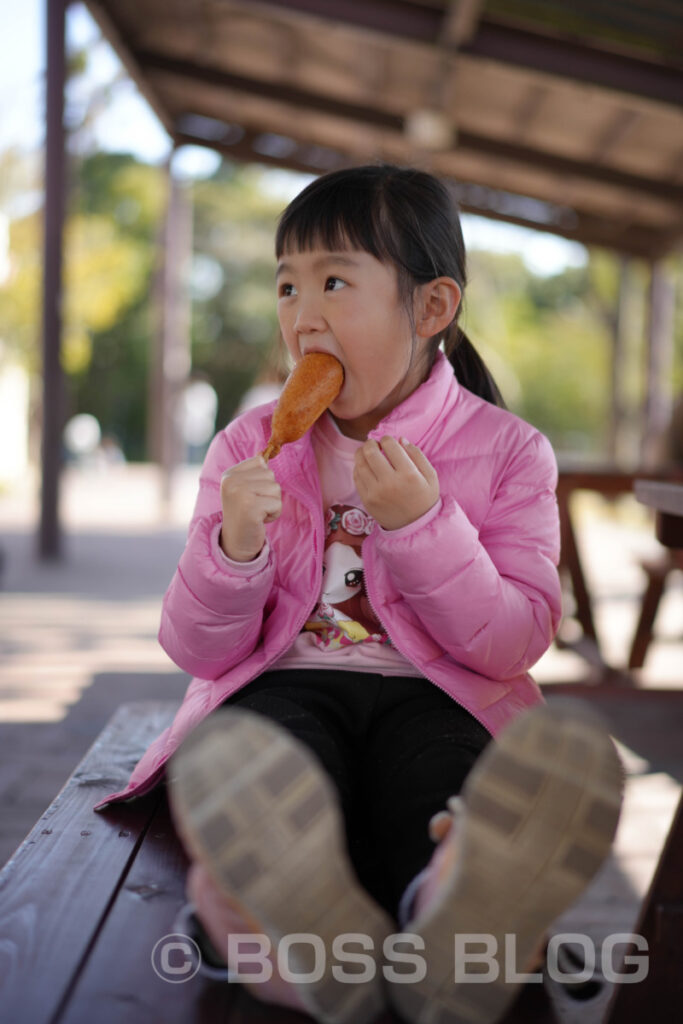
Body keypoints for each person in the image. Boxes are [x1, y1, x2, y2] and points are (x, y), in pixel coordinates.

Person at [95, 165, 622, 1024]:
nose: (302, 314)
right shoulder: (246, 447)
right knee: (266, 769)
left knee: (443, 782)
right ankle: (287, 930)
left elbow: (513, 640)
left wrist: (422, 525)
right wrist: (235, 546)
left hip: (440, 691)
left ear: (429, 308)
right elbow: (197, 650)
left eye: (334, 281)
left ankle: (452, 913)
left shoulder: (508, 451)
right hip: (282, 683)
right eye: (287, 285)